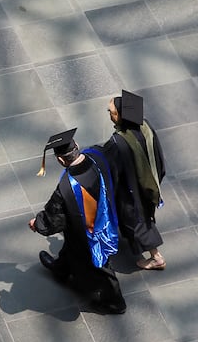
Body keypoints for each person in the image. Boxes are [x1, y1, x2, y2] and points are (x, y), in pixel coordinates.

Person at [29, 128, 126, 314]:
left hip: (89, 230)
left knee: (100, 263)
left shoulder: (67, 186)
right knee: (72, 246)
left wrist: (38, 223)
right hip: (106, 216)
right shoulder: (97, 158)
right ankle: (61, 269)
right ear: (78, 147)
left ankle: (115, 302)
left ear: (60, 159)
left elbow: (54, 216)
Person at [107, 90, 167, 270]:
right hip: (150, 185)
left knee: (138, 222)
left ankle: (156, 258)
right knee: (144, 215)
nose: (109, 114)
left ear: (120, 116)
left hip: (131, 191)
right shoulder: (145, 127)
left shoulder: (118, 142)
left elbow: (112, 169)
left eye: (111, 111)